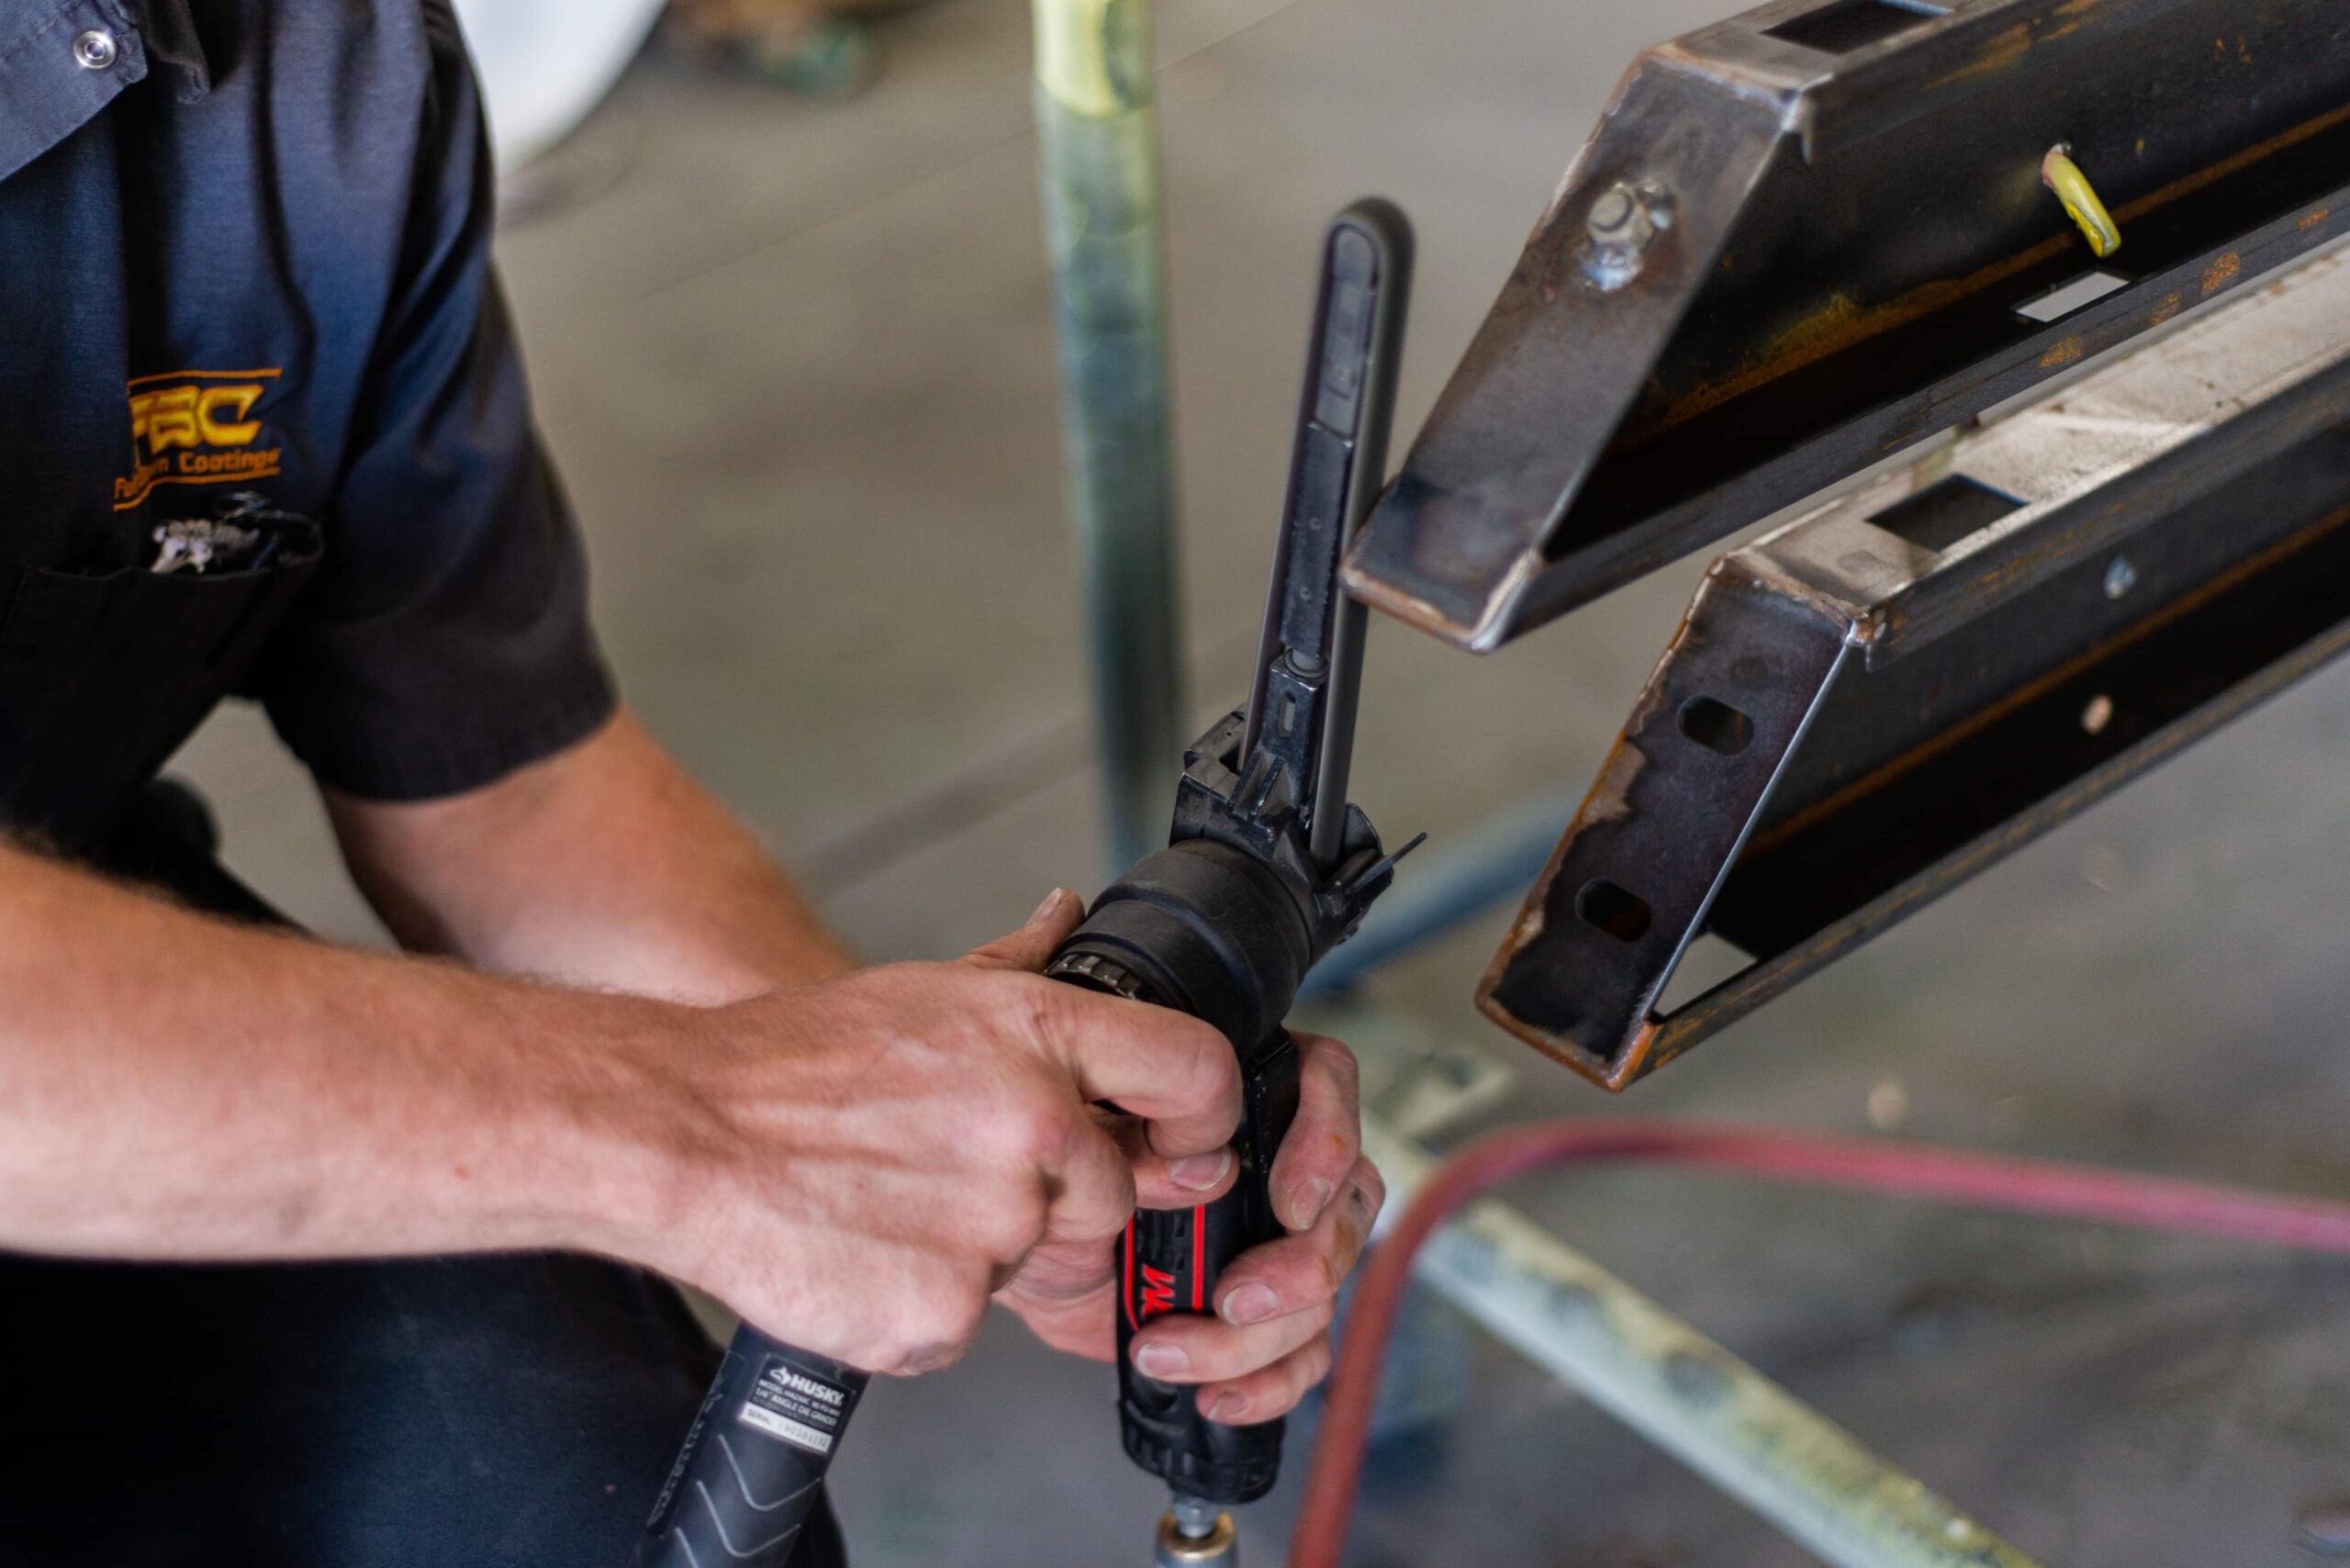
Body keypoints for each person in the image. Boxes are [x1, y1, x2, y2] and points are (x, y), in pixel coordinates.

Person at [0, 5, 1382, 1564]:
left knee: (579, 1505)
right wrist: (700, 1124)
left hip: (92, 974)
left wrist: (964, 1134)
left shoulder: (325, 68)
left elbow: (506, 793)